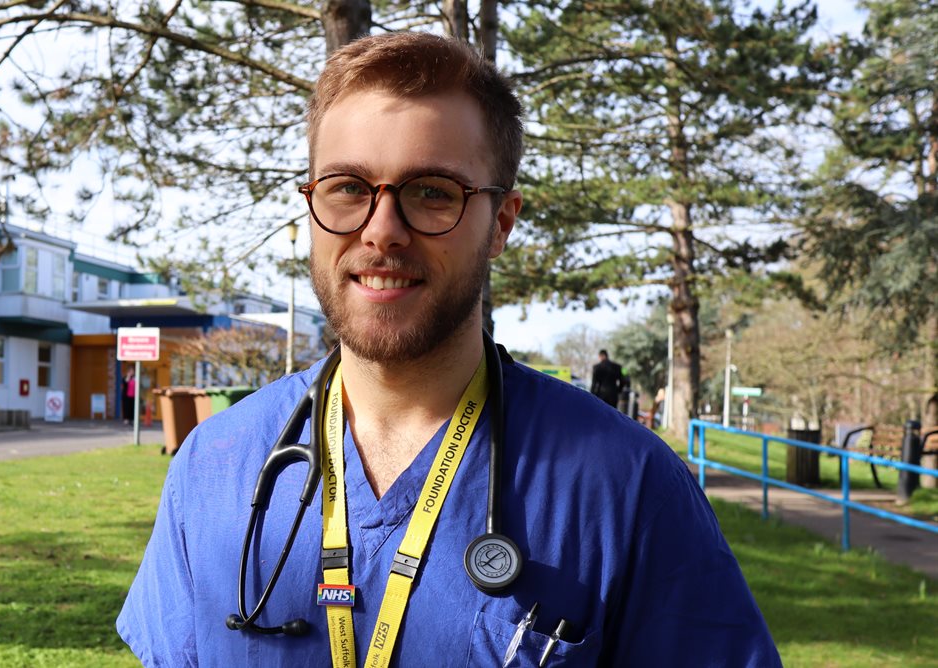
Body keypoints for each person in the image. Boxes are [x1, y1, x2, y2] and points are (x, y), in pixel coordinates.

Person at [118, 33, 779, 666]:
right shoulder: (214, 466)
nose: (382, 233)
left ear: (501, 225)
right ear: (310, 206)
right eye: (348, 187)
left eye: (432, 193)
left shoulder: (625, 486)